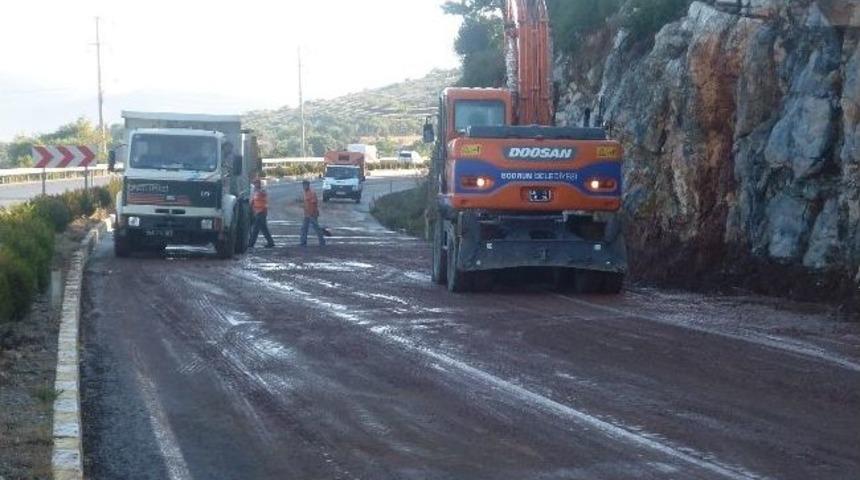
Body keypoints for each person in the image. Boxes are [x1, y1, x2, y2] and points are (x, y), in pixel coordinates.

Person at [249, 178, 275, 248]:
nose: (255, 185)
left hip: (262, 212)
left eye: (256, 183)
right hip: (257, 212)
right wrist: (250, 207)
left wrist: (258, 190)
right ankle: (271, 242)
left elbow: (264, 194)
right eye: (254, 184)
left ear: (259, 184)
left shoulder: (262, 191)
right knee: (263, 228)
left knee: (256, 229)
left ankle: (251, 244)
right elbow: (253, 201)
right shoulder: (255, 192)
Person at [300, 180, 325, 247]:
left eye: (305, 185)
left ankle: (322, 242)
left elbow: (314, 204)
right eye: (303, 185)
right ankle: (303, 242)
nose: (304, 186)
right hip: (307, 214)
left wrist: (312, 213)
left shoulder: (312, 193)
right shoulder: (305, 193)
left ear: (308, 185)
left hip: (312, 214)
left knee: (316, 228)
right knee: (304, 228)